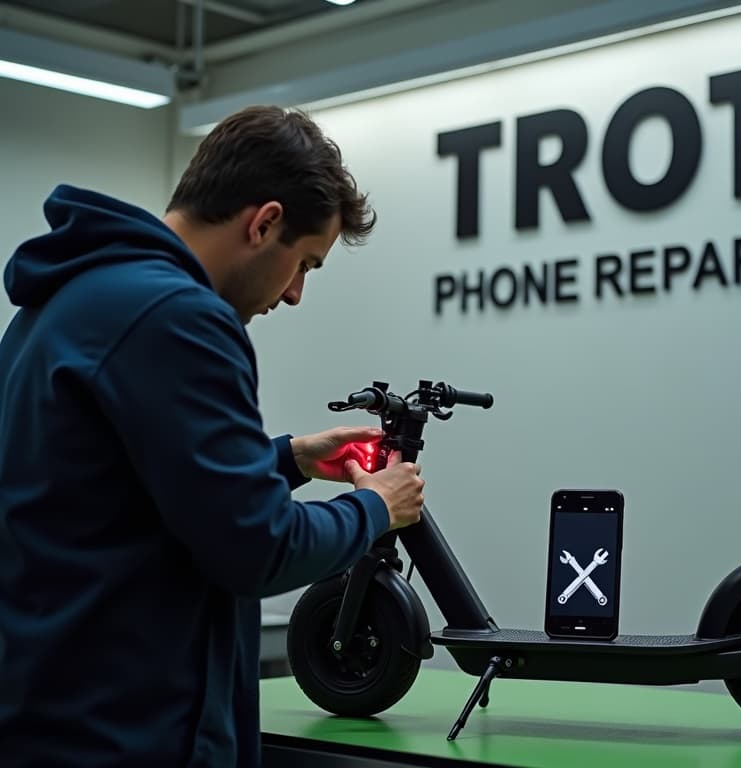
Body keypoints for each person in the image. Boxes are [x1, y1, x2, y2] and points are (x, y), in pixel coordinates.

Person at [0, 105, 425, 766]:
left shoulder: (66, 300)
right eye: (305, 265)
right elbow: (258, 549)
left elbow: (125, 488)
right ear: (266, 223)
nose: (294, 297)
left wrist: (287, 459)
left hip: (49, 721)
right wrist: (375, 508)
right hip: (129, 741)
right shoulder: (180, 318)